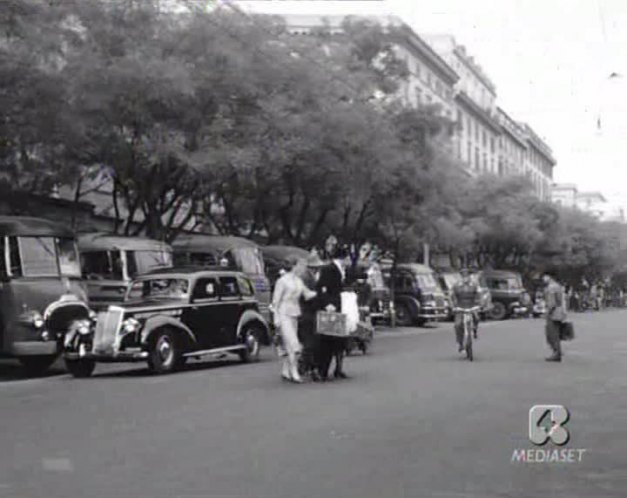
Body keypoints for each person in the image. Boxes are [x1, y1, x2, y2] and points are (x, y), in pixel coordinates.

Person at [272, 256, 317, 383]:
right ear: (294, 266)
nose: (302, 268)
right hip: (283, 313)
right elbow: (275, 301)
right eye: (300, 266)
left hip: (295, 313)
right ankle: (294, 371)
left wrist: (324, 292)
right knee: (293, 344)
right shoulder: (282, 281)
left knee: (288, 343)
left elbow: (307, 294)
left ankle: (286, 371)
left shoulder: (298, 281)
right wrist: (276, 318)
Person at [315, 247, 349, 380]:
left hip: (339, 307)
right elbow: (321, 287)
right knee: (327, 340)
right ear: (343, 258)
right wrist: (326, 303)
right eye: (347, 259)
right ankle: (322, 370)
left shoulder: (341, 270)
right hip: (330, 308)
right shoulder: (329, 269)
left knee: (338, 340)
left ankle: (337, 369)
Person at [298, 253, 325, 381]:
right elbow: (306, 296)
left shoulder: (309, 276)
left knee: (311, 341)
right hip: (306, 312)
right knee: (311, 342)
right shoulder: (306, 278)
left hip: (308, 312)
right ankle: (307, 366)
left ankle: (306, 365)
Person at [451, 269, 481, 352]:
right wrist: (454, 306)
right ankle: (460, 343)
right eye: (464, 276)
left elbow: (479, 295)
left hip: (472, 306)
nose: (466, 278)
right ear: (461, 277)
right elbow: (453, 296)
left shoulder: (475, 285)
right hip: (460, 307)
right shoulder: (456, 286)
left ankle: (474, 330)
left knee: (477, 318)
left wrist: (478, 304)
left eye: (467, 276)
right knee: (458, 325)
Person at [543, 272, 567, 362]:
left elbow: (552, 303)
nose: (543, 278)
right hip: (559, 311)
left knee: (552, 334)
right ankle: (558, 352)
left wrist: (547, 312)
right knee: (556, 333)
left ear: (550, 277)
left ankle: (556, 353)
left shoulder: (551, 287)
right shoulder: (558, 286)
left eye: (545, 276)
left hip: (554, 313)